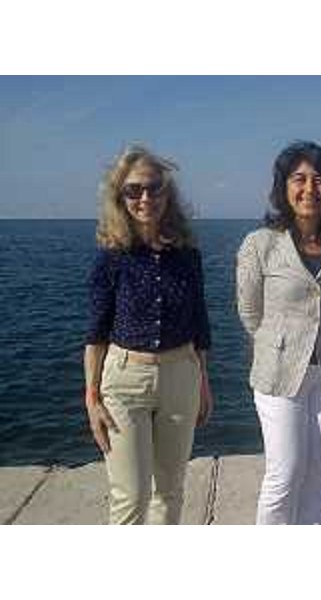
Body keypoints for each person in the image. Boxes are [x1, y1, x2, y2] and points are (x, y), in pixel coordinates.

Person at [84, 145, 213, 525]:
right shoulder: (111, 257)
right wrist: (91, 397)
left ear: (166, 192)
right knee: (131, 498)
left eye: (154, 187)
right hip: (125, 381)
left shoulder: (187, 255)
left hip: (182, 375)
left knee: (170, 492)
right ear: (120, 197)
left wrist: (203, 382)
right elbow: (96, 333)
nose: (145, 197)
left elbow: (199, 324)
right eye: (134, 190)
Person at [236, 141, 321, 524]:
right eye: (299, 179)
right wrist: (279, 346)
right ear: (284, 186)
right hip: (278, 373)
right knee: (284, 473)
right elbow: (250, 312)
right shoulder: (260, 244)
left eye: (320, 179)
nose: (309, 188)